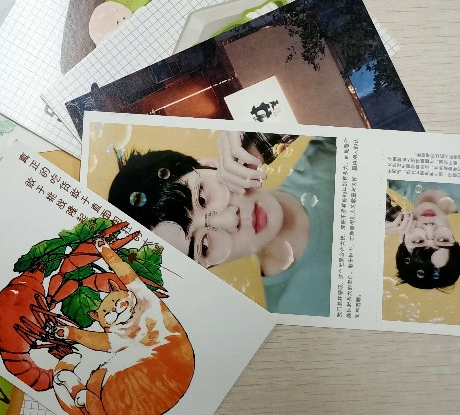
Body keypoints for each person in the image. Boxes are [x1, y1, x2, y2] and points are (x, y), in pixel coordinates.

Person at [108, 131, 336, 316]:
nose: (231, 219)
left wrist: (261, 137)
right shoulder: (293, 317)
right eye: (204, 246)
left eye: (202, 198)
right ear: (207, 267)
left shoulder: (328, 144)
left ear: (210, 165)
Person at [385, 182, 460, 290]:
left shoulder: (392, 186)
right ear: (454, 239)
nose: (429, 227)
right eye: (443, 239)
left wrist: (383, 212)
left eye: (419, 241)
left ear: (402, 238)